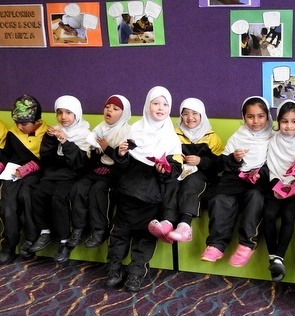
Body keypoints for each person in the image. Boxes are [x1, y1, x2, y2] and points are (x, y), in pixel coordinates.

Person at [105, 86, 182, 292]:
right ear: (147, 105)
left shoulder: (171, 136)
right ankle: (114, 269)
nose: (160, 108)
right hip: (128, 191)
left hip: (152, 195)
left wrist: (164, 169)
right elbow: (121, 164)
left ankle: (136, 273)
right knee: (120, 234)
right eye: (156, 103)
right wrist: (121, 154)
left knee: (144, 237)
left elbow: (176, 170)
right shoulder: (135, 129)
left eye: (165, 104)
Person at [200, 96, 272, 267]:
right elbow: (222, 164)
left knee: (256, 198)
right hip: (235, 180)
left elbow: (277, 162)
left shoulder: (274, 138)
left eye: (261, 116)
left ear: (268, 116)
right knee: (219, 199)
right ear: (243, 117)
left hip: (258, 182)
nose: (255, 121)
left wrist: (260, 172)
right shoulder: (237, 137)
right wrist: (234, 158)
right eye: (250, 116)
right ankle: (216, 244)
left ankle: (247, 244)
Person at [150, 97, 223, 243]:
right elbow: (166, 156)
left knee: (191, 180)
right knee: (172, 182)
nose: (190, 118)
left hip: (202, 177)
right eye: (186, 114)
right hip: (179, 172)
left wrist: (201, 161)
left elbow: (219, 164)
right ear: (181, 116)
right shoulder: (173, 134)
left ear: (202, 115)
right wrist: (176, 159)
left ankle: (185, 224)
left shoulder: (211, 137)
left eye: (195, 113)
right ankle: (167, 221)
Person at [29, 95, 91, 263]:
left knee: (59, 198)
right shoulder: (53, 130)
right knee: (38, 194)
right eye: (60, 113)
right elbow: (46, 158)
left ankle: (64, 242)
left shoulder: (85, 134)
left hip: (72, 175)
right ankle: (45, 232)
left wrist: (65, 141)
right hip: (53, 173)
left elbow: (78, 164)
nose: (63, 117)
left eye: (69, 113)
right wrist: (50, 139)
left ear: (77, 114)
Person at [68, 95, 132, 250]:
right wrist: (94, 151)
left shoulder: (128, 131)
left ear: (123, 113)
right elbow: (95, 158)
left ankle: (100, 230)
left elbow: (126, 162)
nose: (109, 110)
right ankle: (78, 228)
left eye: (115, 109)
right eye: (107, 107)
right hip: (99, 169)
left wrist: (106, 148)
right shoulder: (99, 128)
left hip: (117, 172)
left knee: (99, 189)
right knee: (79, 186)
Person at [262, 100, 295, 282]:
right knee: (268, 214)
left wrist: (294, 185)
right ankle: (273, 256)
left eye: (294, 121)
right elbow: (268, 165)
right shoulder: (272, 139)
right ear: (278, 121)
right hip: (276, 185)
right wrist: (276, 185)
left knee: (289, 216)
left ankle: (278, 256)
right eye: (284, 121)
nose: (289, 126)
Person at [0, 95, 49, 264]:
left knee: (27, 197)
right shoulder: (13, 133)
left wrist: (30, 167)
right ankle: (8, 246)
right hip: (12, 173)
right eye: (17, 122)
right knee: (8, 205)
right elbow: (6, 155)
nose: (19, 126)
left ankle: (30, 239)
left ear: (37, 121)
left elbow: (48, 160)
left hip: (35, 174)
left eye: (24, 123)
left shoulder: (47, 133)